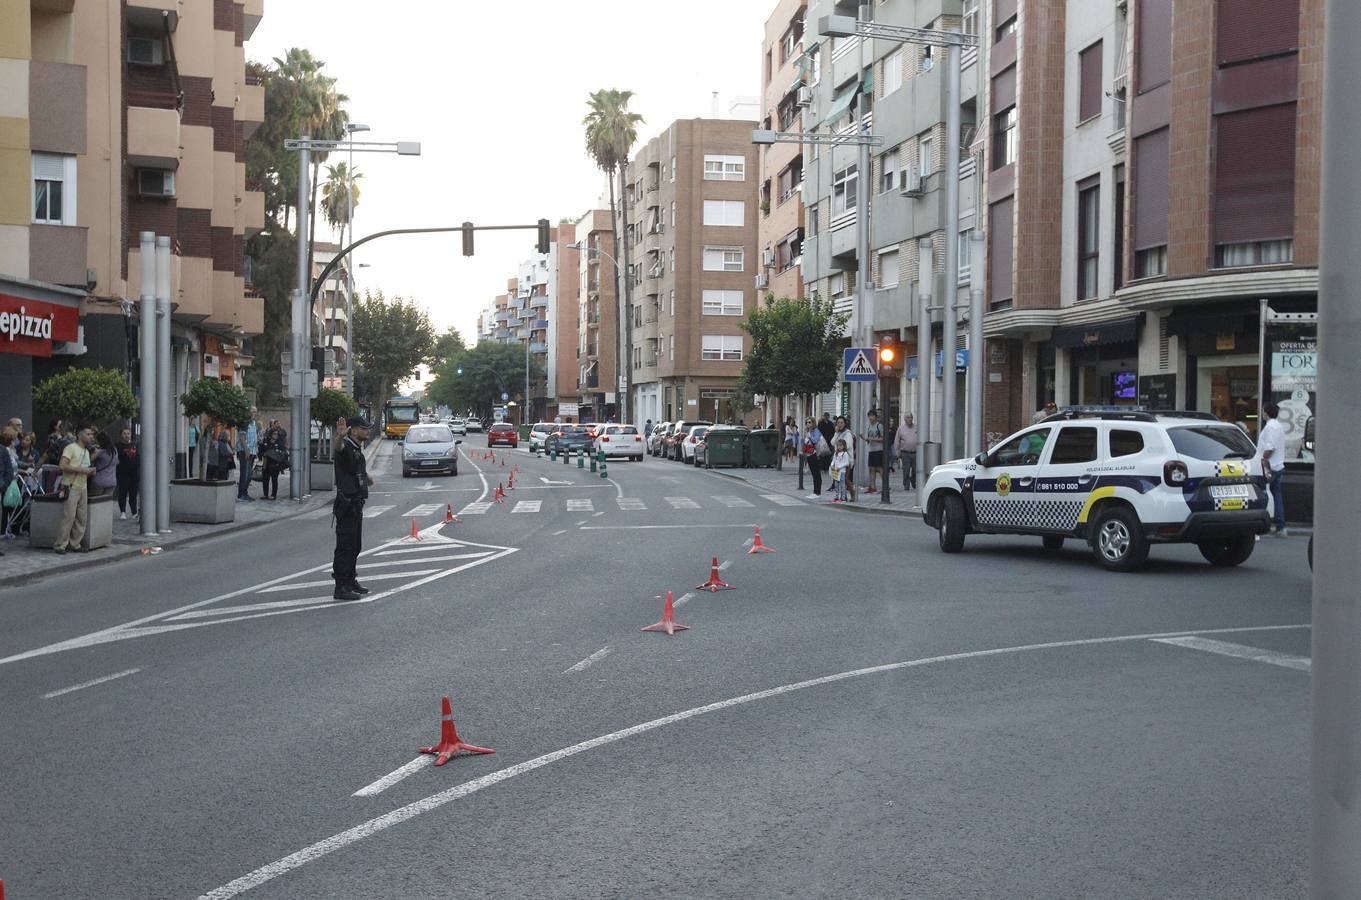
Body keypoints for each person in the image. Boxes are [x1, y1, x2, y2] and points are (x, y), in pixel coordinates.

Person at [332, 415, 373, 601]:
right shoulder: (346, 445)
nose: (367, 431)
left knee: (355, 546)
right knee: (345, 546)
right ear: (354, 430)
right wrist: (340, 436)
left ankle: (350, 580)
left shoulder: (356, 449)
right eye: (364, 428)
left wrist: (367, 477)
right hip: (347, 503)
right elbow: (338, 448)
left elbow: (355, 469)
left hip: (356, 503)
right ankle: (340, 586)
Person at [54, 426, 95, 553]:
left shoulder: (87, 452)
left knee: (81, 518)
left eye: (91, 434)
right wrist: (83, 470)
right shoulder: (71, 448)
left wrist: (90, 472)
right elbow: (62, 466)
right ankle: (60, 545)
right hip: (71, 486)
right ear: (79, 435)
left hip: (83, 487)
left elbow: (85, 469)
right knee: (69, 517)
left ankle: (75, 543)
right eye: (88, 434)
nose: (91, 436)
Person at [1257, 401, 1287, 536]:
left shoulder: (1271, 427)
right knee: (1277, 495)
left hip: (1270, 466)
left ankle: (1263, 524)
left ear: (1266, 413)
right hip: (1278, 465)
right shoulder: (1278, 426)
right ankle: (1280, 525)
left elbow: (1270, 447)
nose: (1262, 412)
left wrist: (1262, 461)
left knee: (1262, 493)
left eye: (1263, 410)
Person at [259, 422, 288, 500]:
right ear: (271, 434)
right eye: (274, 433)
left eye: (277, 434)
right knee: (265, 480)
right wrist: (263, 454)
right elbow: (261, 451)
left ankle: (273, 495)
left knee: (274, 480)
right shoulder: (266, 441)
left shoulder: (280, 443)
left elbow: (283, 453)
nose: (276, 435)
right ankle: (265, 494)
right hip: (266, 463)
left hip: (275, 464)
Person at [800, 417, 828, 499]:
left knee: (816, 473)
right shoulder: (809, 432)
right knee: (813, 473)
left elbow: (815, 441)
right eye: (806, 423)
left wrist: (809, 436)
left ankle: (817, 492)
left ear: (813, 423)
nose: (808, 424)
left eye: (809, 422)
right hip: (809, 454)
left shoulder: (816, 431)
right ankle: (815, 492)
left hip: (815, 454)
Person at [115, 426, 138, 520]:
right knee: (122, 493)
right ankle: (123, 512)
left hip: (134, 473)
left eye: (128, 433)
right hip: (122, 473)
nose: (126, 435)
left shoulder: (134, 444)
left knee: (133, 494)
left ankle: (134, 512)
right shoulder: (117, 446)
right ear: (121, 435)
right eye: (124, 434)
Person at [831, 416, 856, 500]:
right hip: (838, 461)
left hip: (846, 460)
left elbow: (848, 445)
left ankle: (852, 494)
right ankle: (842, 495)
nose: (840, 424)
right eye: (838, 423)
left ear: (845, 424)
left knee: (846, 479)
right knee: (839, 479)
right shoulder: (838, 433)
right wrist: (836, 433)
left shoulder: (848, 433)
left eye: (842, 423)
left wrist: (839, 447)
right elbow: (832, 442)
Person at [236, 409, 258, 502]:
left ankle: (245, 493)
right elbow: (242, 437)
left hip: (252, 452)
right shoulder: (245, 423)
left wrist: (255, 451)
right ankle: (241, 494)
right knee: (244, 474)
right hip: (245, 451)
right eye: (252, 411)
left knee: (249, 474)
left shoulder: (253, 423)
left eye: (255, 411)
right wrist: (246, 450)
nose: (254, 413)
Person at [895, 413, 920, 490]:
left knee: (915, 469)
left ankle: (913, 480)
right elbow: (897, 441)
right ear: (905, 419)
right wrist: (897, 451)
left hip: (915, 452)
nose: (910, 419)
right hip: (905, 452)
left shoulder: (917, 428)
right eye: (908, 417)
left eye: (911, 417)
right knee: (906, 469)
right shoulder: (901, 428)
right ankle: (906, 484)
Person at [90, 431, 117, 499]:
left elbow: (88, 460)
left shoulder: (100, 452)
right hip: (112, 481)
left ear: (100, 442)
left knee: (96, 504)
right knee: (107, 503)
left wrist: (94, 449)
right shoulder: (115, 451)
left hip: (99, 482)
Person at [864, 410, 884, 493]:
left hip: (879, 450)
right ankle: (872, 487)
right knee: (871, 469)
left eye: (872, 416)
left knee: (880, 469)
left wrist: (872, 439)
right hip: (871, 450)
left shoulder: (879, 426)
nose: (870, 418)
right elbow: (869, 438)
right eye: (869, 416)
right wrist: (866, 439)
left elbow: (883, 438)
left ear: (875, 417)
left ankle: (885, 486)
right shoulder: (869, 426)